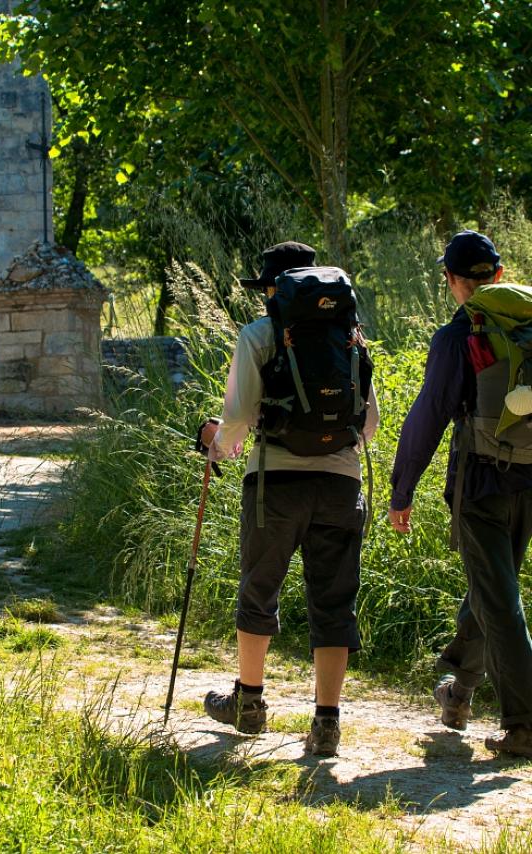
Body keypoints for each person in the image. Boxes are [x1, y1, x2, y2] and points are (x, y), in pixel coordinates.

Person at [200, 241, 380, 757]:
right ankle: (326, 723)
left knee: (259, 586)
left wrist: (216, 445)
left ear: (275, 289)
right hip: (342, 485)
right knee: (333, 599)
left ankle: (250, 704)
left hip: (274, 482)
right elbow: (368, 424)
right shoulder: (351, 337)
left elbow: (236, 419)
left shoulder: (259, 335)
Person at [389, 230, 532, 758]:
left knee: (499, 599)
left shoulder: (456, 337)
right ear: (497, 274)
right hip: (529, 478)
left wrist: (402, 489)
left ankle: (524, 723)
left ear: (451, 280)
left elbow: (429, 416)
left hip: (480, 484)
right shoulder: (527, 326)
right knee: (493, 588)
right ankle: (460, 693)